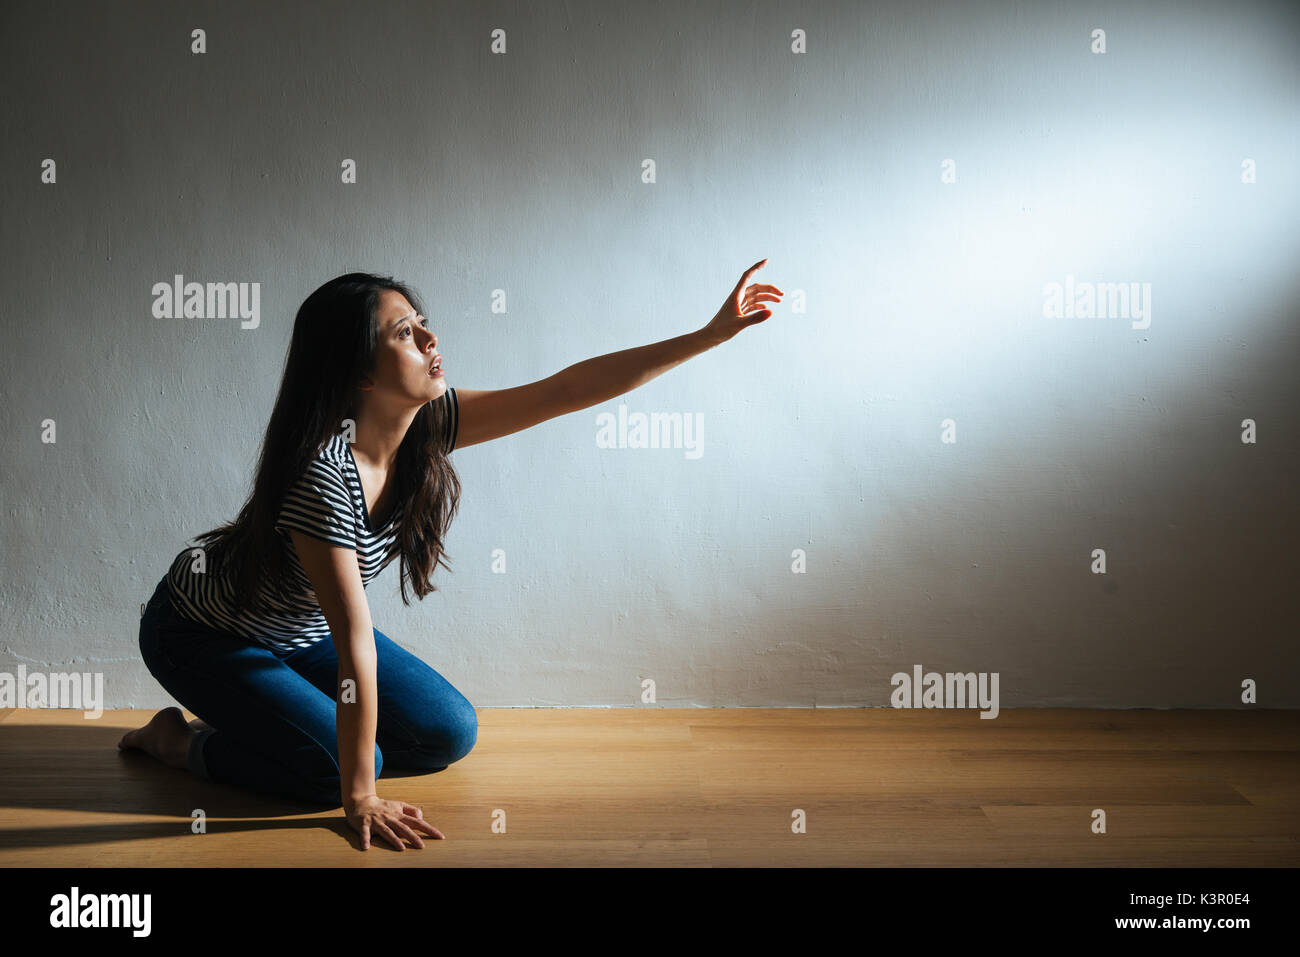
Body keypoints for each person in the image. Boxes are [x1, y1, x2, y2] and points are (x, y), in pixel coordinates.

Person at [121, 261, 783, 850]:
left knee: (446, 731)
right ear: (357, 370)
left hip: (299, 633)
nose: (431, 340)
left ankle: (270, 720)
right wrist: (360, 799)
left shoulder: (426, 428)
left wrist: (709, 334)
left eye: (422, 323)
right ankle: (177, 741)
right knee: (343, 768)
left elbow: (564, 391)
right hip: (203, 635)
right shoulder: (322, 476)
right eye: (404, 334)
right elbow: (356, 645)